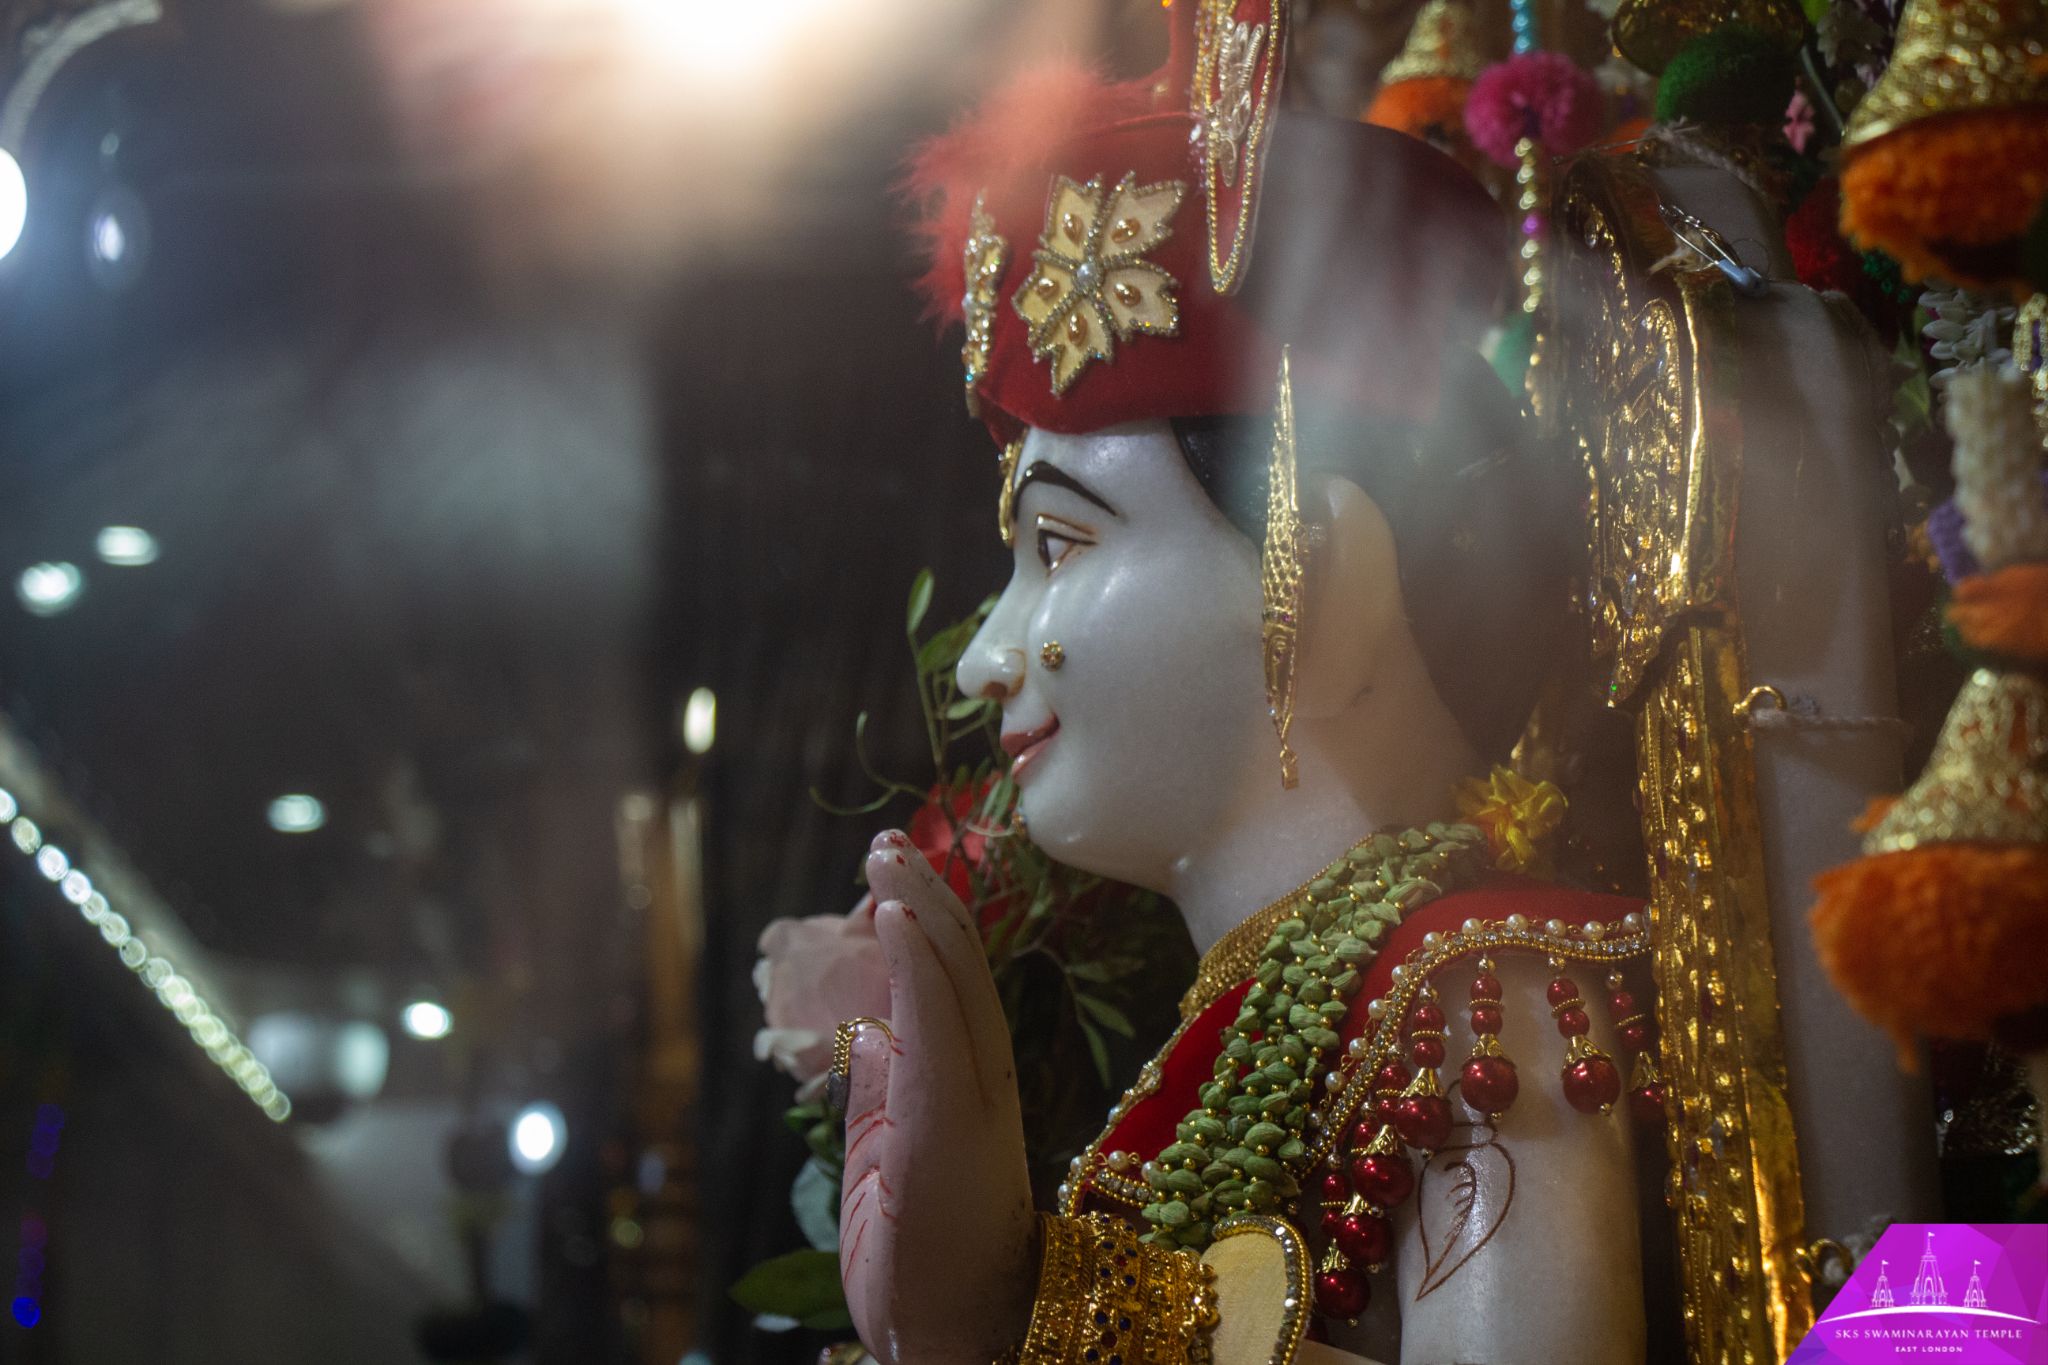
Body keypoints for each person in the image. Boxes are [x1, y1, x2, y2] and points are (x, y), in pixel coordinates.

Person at [833, 4, 1660, 1362]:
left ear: (1321, 590)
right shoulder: (1244, 1036)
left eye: (1059, 546)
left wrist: (1020, 1306)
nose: (987, 655)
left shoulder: (1477, 1000)